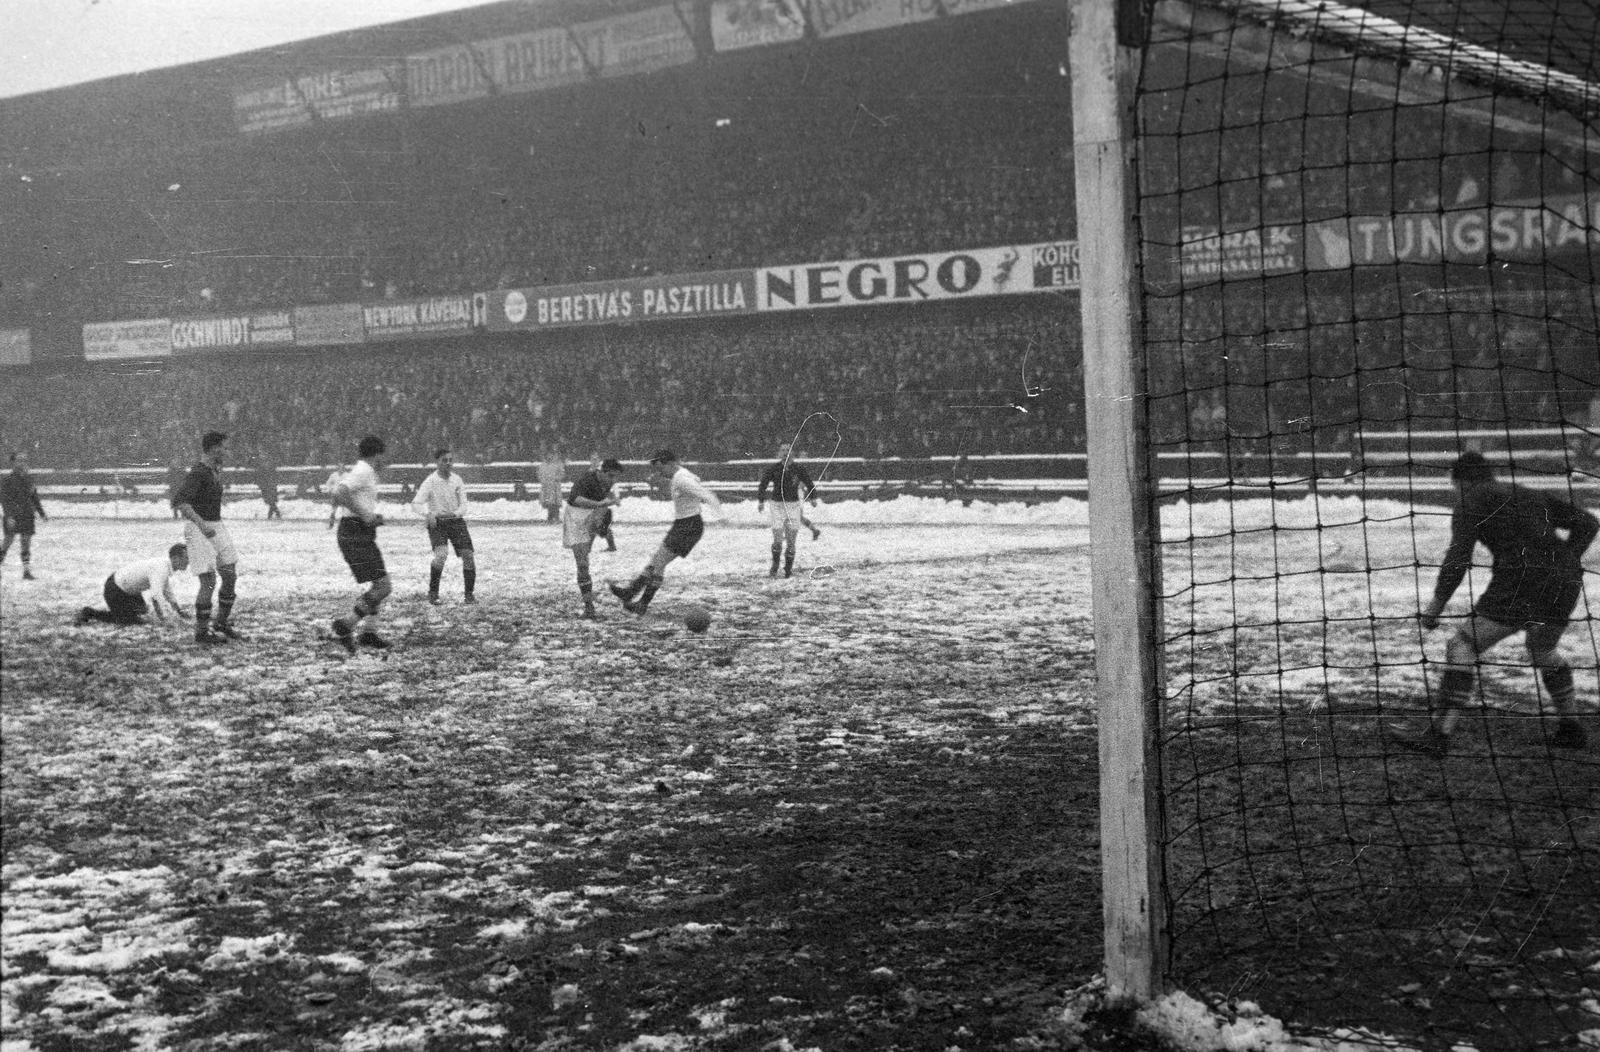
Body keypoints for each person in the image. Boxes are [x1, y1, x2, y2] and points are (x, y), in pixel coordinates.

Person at [1392, 452, 1597, 756]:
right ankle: (1571, 727)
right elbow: (1589, 522)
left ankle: (1439, 734)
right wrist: (1564, 559)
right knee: (1543, 649)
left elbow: (1458, 557)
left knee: (1462, 645)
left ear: (1458, 481)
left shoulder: (1470, 499)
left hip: (1519, 582)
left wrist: (1435, 606)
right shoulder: (1526, 492)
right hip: (1564, 581)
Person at [610, 450, 722, 614]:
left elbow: (705, 495)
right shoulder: (681, 475)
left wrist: (720, 516)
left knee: (659, 564)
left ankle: (642, 603)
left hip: (688, 526)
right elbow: (696, 483)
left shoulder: (681, 479)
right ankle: (631, 592)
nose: (660, 472)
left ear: (669, 463)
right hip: (684, 524)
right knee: (656, 561)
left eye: (660, 468)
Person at [171, 431, 242, 643]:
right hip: (199, 528)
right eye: (223, 447)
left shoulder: (213, 471)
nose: (226, 451)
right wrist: (202, 525)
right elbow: (181, 502)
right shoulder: (198, 472)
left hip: (216, 525)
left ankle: (221, 622)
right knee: (209, 581)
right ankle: (202, 632)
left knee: (230, 574)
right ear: (213, 448)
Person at [329, 436, 393, 652]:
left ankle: (369, 633)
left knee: (378, 585)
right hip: (354, 532)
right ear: (377, 454)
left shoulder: (366, 471)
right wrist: (366, 515)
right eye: (384, 455)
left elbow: (342, 495)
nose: (386, 459)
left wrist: (370, 517)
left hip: (359, 532)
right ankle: (347, 624)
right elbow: (340, 492)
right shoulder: (364, 471)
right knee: (384, 586)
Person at [412, 448, 476, 606]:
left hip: (455, 521)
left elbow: (464, 505)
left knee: (468, 555)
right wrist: (428, 514)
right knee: (441, 555)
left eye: (450, 460)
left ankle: (469, 595)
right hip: (438, 523)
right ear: (437, 462)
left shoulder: (457, 480)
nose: (448, 463)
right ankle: (433, 593)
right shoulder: (430, 481)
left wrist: (455, 514)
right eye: (444, 460)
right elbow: (416, 503)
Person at [564, 458, 624, 618]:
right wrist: (600, 505)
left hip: (591, 517)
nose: (613, 480)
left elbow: (604, 498)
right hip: (576, 517)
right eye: (611, 476)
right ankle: (589, 606)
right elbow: (576, 499)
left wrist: (609, 501)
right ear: (601, 472)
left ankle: (601, 529)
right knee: (582, 563)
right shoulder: (586, 479)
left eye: (616, 477)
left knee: (585, 559)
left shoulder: (607, 481)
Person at [75, 544, 189, 626]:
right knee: (129, 621)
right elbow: (156, 595)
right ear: (175, 558)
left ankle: (121, 612)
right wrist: (165, 619)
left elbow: (167, 592)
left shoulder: (164, 566)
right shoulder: (161, 568)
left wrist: (179, 611)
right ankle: (89, 612)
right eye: (186, 558)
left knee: (142, 610)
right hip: (115, 589)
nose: (188, 561)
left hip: (125, 588)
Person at [756, 442, 821, 578]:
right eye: (783, 450)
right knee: (778, 539)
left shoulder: (798, 469)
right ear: (780, 453)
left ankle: (788, 569)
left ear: (792, 453)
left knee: (791, 540)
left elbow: (809, 483)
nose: (786, 453)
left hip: (793, 505)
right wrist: (761, 501)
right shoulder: (774, 468)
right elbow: (763, 484)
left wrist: (813, 497)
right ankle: (775, 564)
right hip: (777, 505)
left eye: (788, 450)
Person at [1, 451, 48, 580]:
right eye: (19, 460)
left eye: (24, 460)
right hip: (13, 515)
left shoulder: (29, 479)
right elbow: (5, 500)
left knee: (26, 542)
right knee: (8, 541)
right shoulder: (7, 480)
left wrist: (41, 513)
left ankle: (26, 571)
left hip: (27, 515)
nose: (22, 463)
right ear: (13, 462)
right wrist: (9, 516)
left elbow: (34, 497)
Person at [538, 447, 567, 524]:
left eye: (551, 454)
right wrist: (543, 480)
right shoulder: (543, 465)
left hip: (555, 486)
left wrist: (556, 478)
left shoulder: (557, 464)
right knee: (548, 502)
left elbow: (562, 473)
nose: (549, 456)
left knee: (555, 503)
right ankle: (550, 517)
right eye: (548, 455)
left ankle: (556, 517)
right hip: (546, 486)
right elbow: (540, 474)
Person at [254, 453, 281, 519]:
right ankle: (275, 513)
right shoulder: (262, 467)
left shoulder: (269, 467)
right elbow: (259, 476)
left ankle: (274, 513)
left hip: (269, 485)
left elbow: (274, 475)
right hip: (266, 485)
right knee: (270, 500)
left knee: (270, 500)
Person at [324, 463, 347, 529]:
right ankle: (331, 525)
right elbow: (328, 483)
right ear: (337, 468)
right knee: (333, 511)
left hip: (343, 495)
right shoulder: (334, 475)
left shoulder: (347, 475)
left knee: (345, 511)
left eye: (342, 467)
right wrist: (330, 489)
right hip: (335, 495)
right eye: (339, 467)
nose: (341, 469)